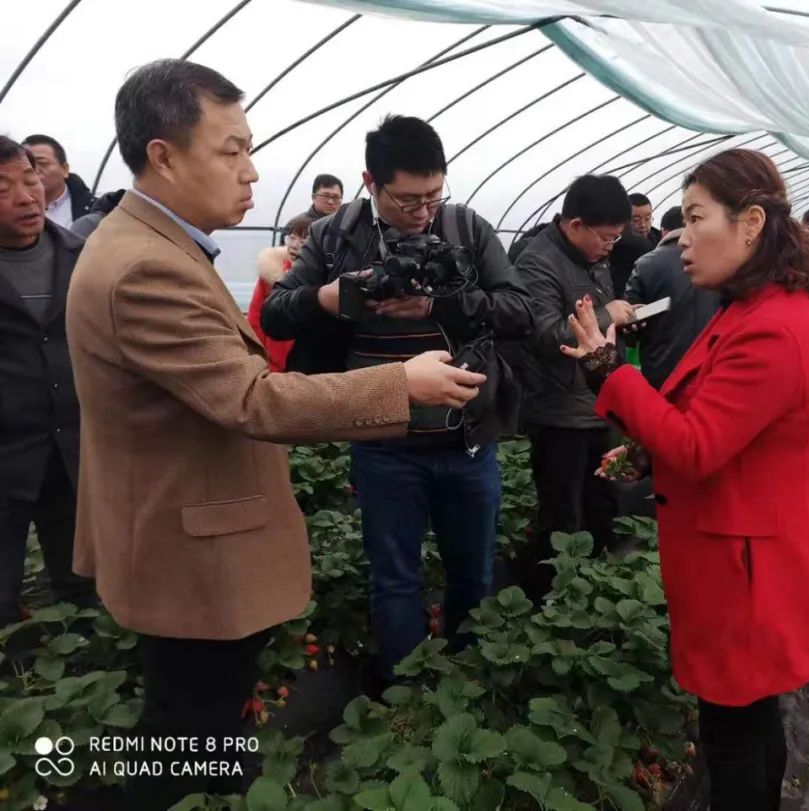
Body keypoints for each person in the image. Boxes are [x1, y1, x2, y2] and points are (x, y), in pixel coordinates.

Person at [65, 60, 485, 810]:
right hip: (188, 549)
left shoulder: (154, 246)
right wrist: (403, 384)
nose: (252, 170)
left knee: (200, 725)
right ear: (163, 154)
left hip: (178, 532)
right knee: (182, 741)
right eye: (231, 150)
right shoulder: (143, 268)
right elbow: (251, 399)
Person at [561, 149, 809, 811]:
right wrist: (645, 449)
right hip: (749, 557)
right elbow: (720, 425)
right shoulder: (752, 307)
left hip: (748, 573)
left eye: (695, 218)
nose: (681, 238)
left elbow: (697, 445)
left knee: (733, 734)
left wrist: (609, 371)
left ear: (750, 224)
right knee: (750, 721)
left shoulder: (771, 326)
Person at [261, 115, 532, 683]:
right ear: (371, 182)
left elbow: (520, 311)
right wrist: (331, 297)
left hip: (466, 439)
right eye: (409, 200)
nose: (424, 210)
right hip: (383, 442)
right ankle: (404, 697)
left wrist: (438, 305)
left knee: (473, 573)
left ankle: (464, 680)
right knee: (394, 578)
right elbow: (275, 314)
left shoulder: (466, 227)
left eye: (435, 194)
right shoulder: (336, 235)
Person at [515, 174, 636, 601]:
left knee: (603, 505)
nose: (610, 246)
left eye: (617, 238)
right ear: (575, 224)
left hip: (597, 404)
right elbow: (547, 335)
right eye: (605, 237)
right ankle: (542, 603)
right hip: (558, 412)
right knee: (562, 515)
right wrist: (607, 316)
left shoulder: (593, 259)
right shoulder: (537, 262)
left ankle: (595, 596)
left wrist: (622, 319)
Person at [0, 136, 96, 628]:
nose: (25, 196)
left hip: (73, 449)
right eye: (3, 188)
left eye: (31, 179)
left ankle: (87, 677)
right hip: (8, 453)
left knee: (82, 585)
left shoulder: (82, 257)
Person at [625, 205, 723, 389]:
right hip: (711, 365)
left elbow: (629, 326)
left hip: (660, 370)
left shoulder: (645, 264)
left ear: (663, 231)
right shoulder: (721, 261)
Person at [247, 214, 313, 372]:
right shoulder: (271, 272)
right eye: (291, 238)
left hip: (307, 360)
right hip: (272, 356)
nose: (295, 245)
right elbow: (255, 316)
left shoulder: (318, 277)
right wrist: (257, 353)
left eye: (303, 241)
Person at [21, 134, 95, 229]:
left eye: (42, 163)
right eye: (27, 164)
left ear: (64, 169)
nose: (34, 170)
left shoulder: (94, 210)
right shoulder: (7, 209)